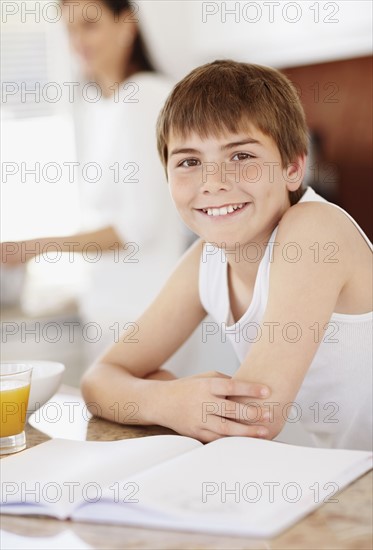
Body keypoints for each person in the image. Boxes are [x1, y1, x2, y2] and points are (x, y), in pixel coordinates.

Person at [80, 60, 372, 451]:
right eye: (189, 162)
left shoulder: (314, 232)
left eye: (241, 157)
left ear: (293, 167)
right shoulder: (207, 262)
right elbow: (99, 379)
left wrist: (160, 396)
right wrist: (169, 400)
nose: (214, 183)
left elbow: (254, 415)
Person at [0, 0, 186, 364]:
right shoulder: (100, 106)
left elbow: (137, 228)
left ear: (126, 25)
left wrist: (35, 246)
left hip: (147, 314)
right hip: (109, 310)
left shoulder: (144, 98)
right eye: (69, 29)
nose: (78, 40)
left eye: (89, 25)